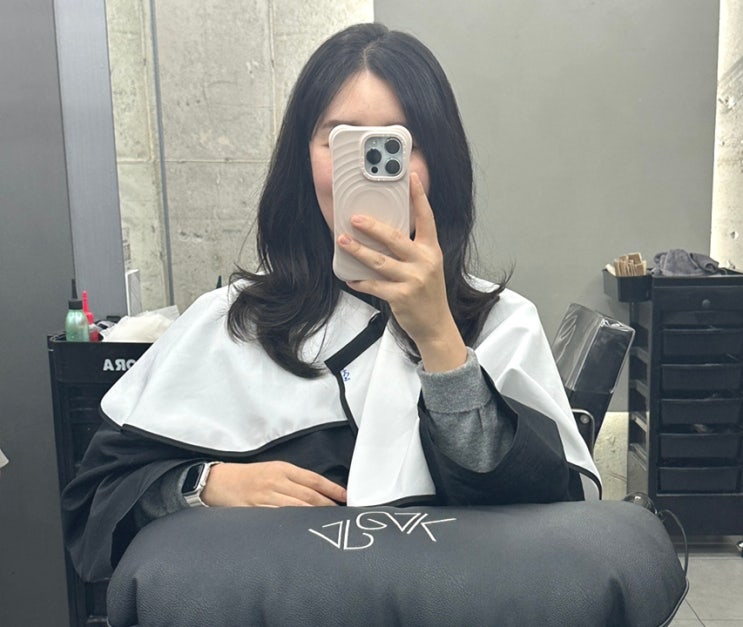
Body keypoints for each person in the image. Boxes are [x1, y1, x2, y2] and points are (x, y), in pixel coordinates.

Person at [61, 22, 600, 582]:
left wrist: (440, 340)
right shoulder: (229, 323)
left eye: (399, 143)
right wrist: (208, 484)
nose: (369, 168)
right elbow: (98, 505)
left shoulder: (503, 324)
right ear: (304, 161)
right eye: (341, 140)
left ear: (439, 163)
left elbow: (546, 529)